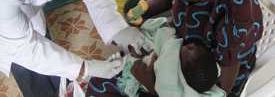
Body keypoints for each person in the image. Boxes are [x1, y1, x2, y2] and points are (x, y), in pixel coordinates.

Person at [0, 0, 150, 96]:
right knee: (29, 68)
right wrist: (84, 68)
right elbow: (22, 47)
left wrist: (116, 28)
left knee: (50, 56)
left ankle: (59, 84)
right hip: (7, 32)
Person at [124, 0, 269, 96]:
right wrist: (144, 10)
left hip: (205, 71)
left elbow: (221, 90)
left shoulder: (238, 17)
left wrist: (154, 86)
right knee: (132, 7)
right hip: (186, 39)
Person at [85, 20, 224, 97]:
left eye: (190, 49)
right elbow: (159, 47)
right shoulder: (173, 53)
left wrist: (149, 82)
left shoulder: (170, 79)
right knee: (100, 79)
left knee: (98, 84)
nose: (191, 44)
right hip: (139, 74)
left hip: (139, 83)